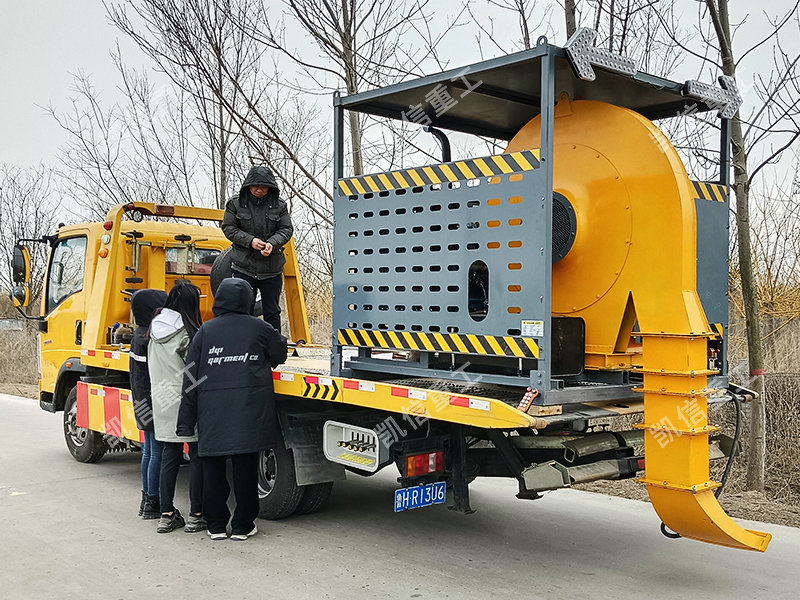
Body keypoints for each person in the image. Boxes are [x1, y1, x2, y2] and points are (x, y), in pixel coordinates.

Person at [177, 278, 287, 541]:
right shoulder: (259, 328)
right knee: (245, 469)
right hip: (247, 411)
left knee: (212, 469)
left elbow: (190, 378)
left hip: (212, 413)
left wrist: (185, 421)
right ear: (247, 300)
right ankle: (242, 525)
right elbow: (280, 353)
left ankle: (215, 525)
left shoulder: (205, 332)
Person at [148, 282, 205, 534]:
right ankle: (196, 515)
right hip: (185, 401)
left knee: (168, 457)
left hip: (162, 399)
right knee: (197, 457)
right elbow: (194, 372)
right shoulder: (186, 334)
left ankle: (166, 515)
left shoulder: (154, 331)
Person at [222, 165, 294, 333]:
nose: (259, 190)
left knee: (272, 311)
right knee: (242, 310)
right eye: (255, 186)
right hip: (243, 267)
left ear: (270, 187)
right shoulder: (235, 204)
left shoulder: (280, 206)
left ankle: (273, 345)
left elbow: (286, 229)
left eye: (263, 186)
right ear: (248, 185)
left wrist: (272, 243)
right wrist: (250, 241)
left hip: (272, 268)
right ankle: (243, 344)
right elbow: (228, 228)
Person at [130, 289, 167, 520]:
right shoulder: (150, 338)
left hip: (141, 400)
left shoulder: (138, 334)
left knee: (148, 452)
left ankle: (146, 499)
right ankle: (153, 501)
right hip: (153, 400)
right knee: (157, 454)